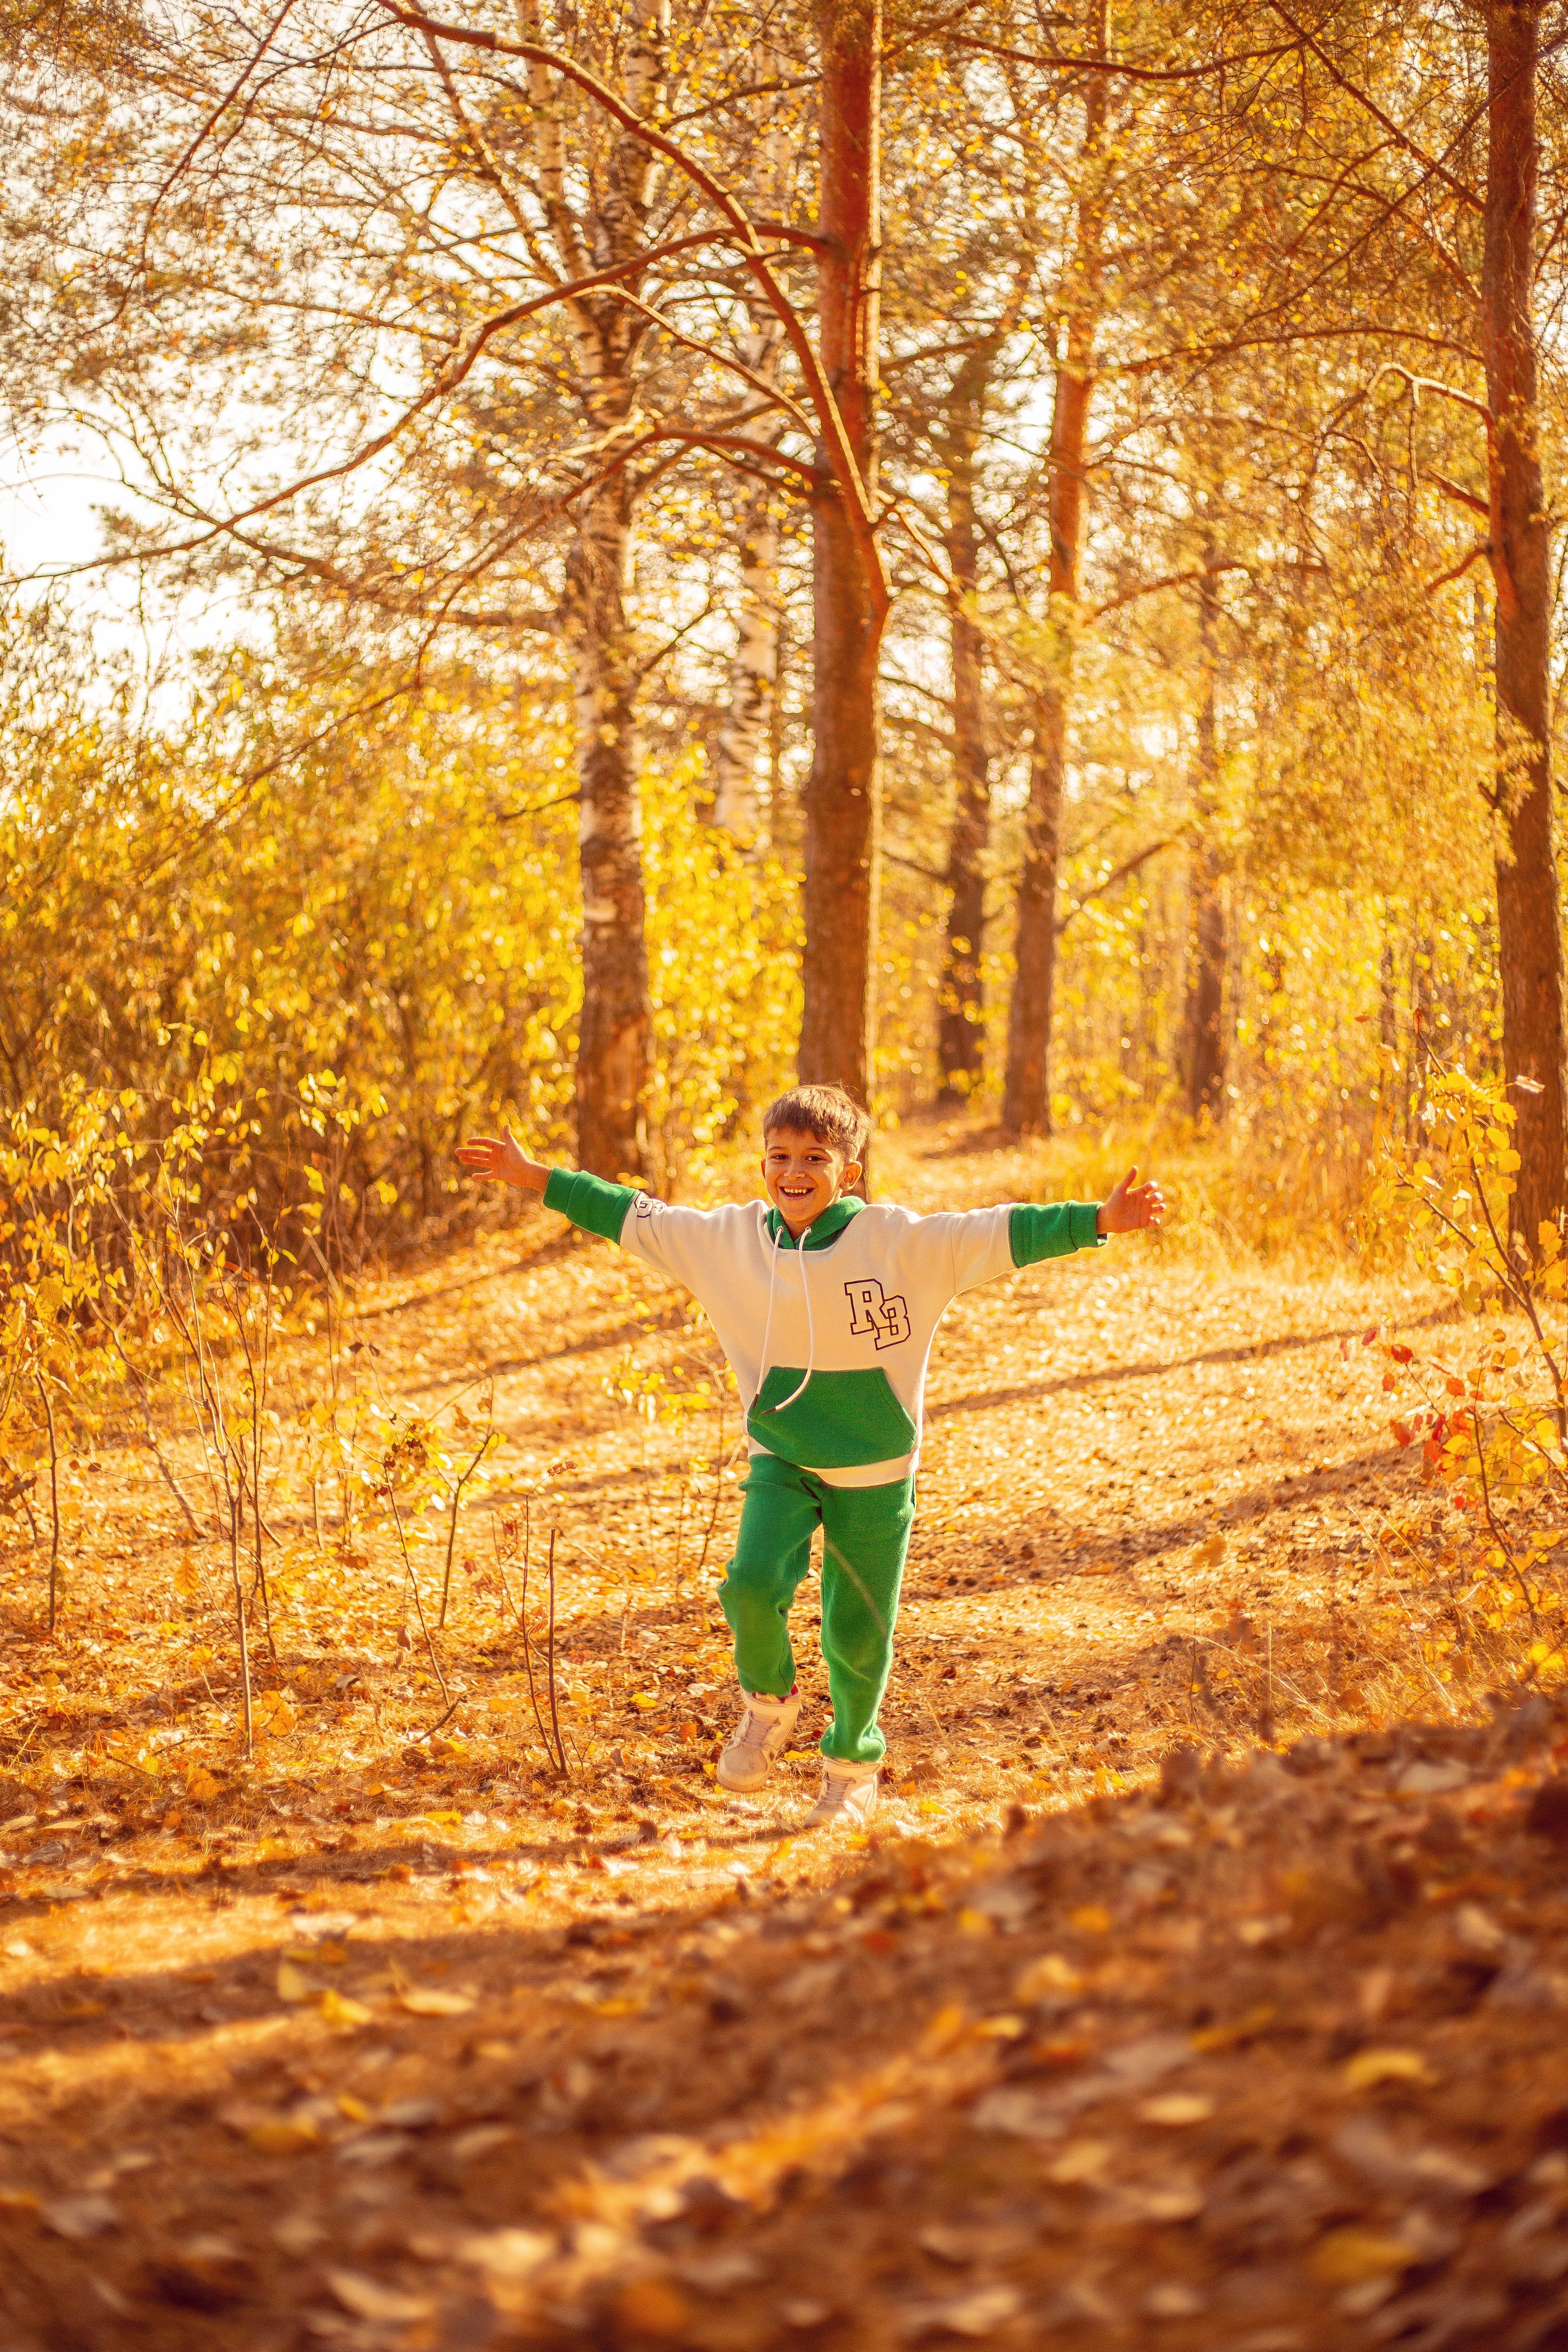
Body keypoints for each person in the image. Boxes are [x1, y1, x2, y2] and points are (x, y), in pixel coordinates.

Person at [458, 1086, 1164, 1828]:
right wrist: (537, 1178)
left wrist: (1097, 1221)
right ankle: (768, 1705)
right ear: (762, 1164)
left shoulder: (901, 1244)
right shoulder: (725, 1243)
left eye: (814, 1159)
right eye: (780, 1156)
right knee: (750, 1583)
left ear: (850, 1172)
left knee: (857, 1631)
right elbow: (629, 1211)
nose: (794, 1171)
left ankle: (852, 1766)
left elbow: (1001, 1230)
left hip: (875, 1469)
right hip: (782, 1457)